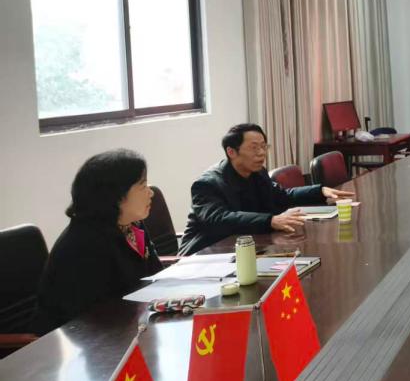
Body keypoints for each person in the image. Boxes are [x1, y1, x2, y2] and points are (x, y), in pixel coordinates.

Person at [32, 149, 163, 334]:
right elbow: (92, 314)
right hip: (81, 339)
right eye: (142, 186)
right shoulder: (84, 243)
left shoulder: (131, 225)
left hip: (128, 325)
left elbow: (155, 276)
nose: (151, 193)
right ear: (115, 195)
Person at [180, 123, 353, 255]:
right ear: (231, 152)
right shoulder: (207, 184)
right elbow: (220, 219)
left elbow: (281, 196)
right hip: (205, 256)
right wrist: (270, 221)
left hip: (245, 250)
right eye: (254, 148)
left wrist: (319, 191)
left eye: (264, 146)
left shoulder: (257, 173)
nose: (261, 153)